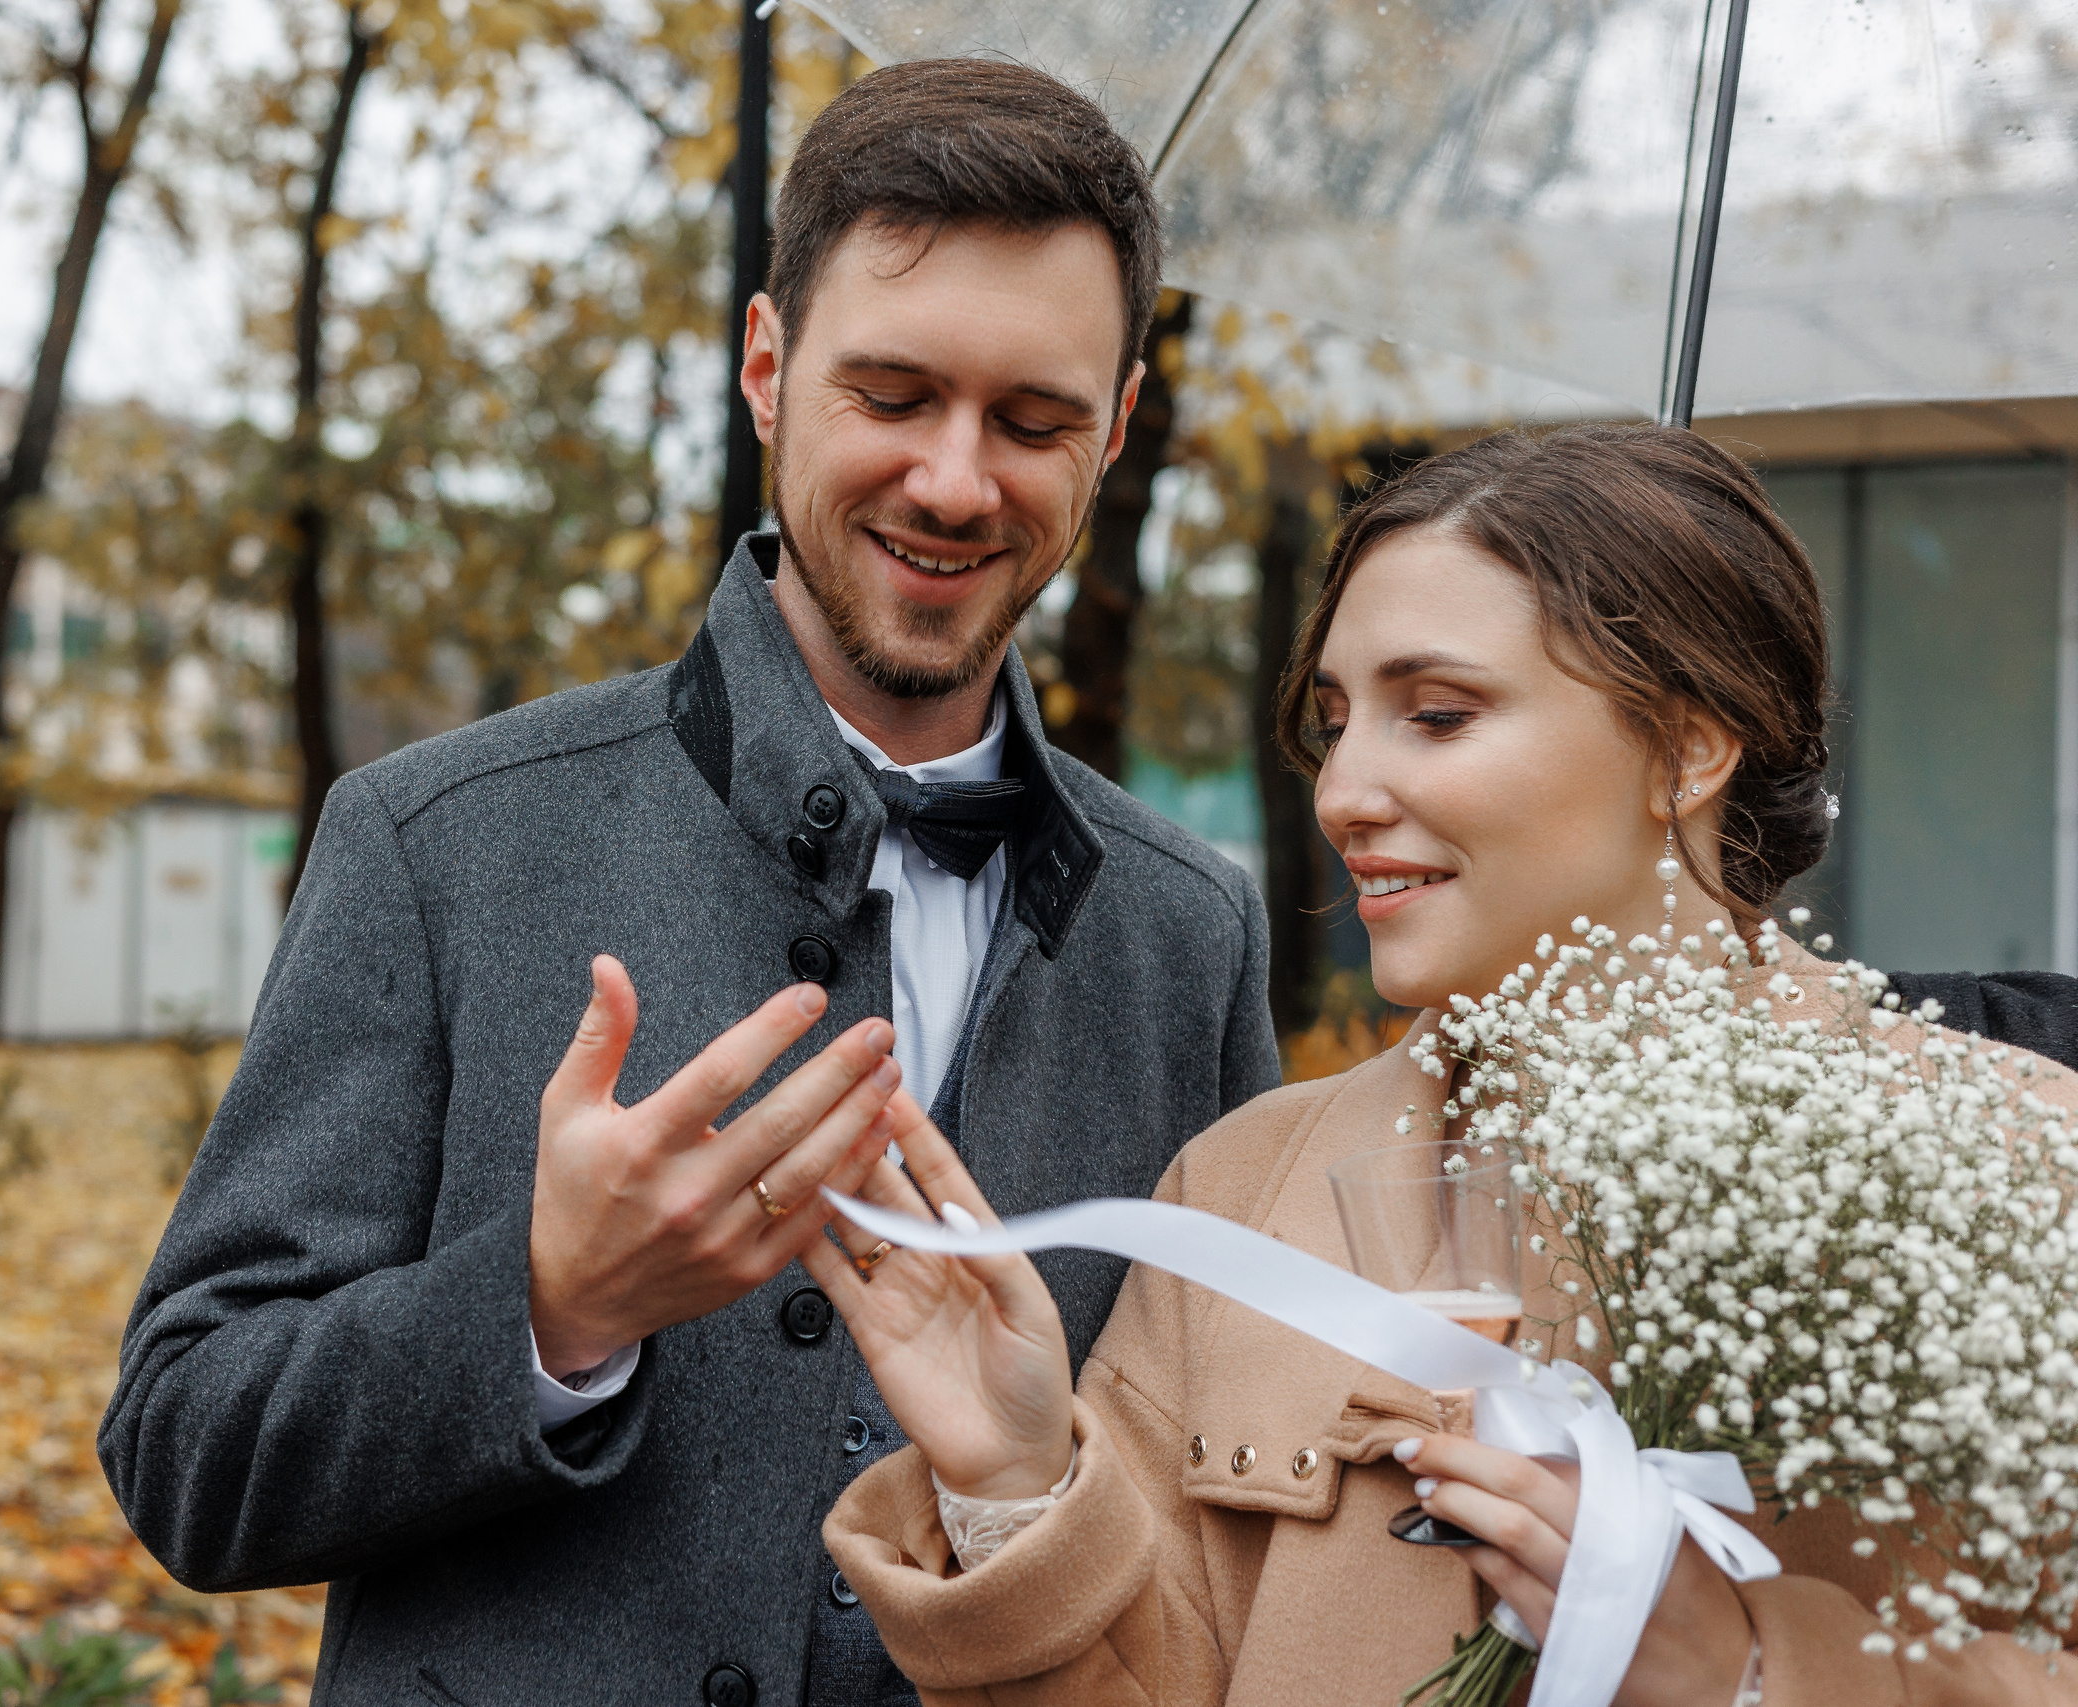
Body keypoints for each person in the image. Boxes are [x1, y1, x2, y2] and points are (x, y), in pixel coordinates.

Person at [96, 59, 1278, 1707]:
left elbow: (1230, 1532)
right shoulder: (435, 839)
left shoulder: (1192, 934)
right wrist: (548, 1304)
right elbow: (186, 1449)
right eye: (893, 395)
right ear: (767, 368)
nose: (957, 481)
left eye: (1032, 422)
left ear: (1119, 429)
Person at [809, 424, 2078, 1705]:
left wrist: (1747, 1670)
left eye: (1437, 715)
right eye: (1336, 724)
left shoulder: (2019, 1169)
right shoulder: (1239, 1192)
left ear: (1689, 748)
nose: (1342, 794)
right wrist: (1016, 1490)